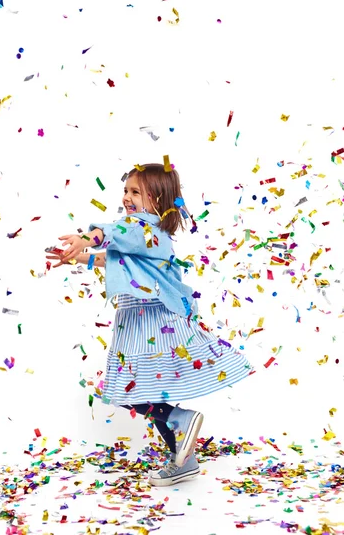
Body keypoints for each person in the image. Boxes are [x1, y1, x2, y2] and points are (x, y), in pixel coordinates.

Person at [46, 163, 254, 487]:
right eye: (126, 190)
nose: (127, 197)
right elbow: (114, 257)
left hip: (153, 319)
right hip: (141, 318)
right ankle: (182, 457)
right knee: (143, 388)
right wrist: (77, 256)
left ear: (156, 199)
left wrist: (85, 237)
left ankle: (180, 419)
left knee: (129, 388)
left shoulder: (142, 229)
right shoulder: (146, 236)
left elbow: (111, 234)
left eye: (135, 192)